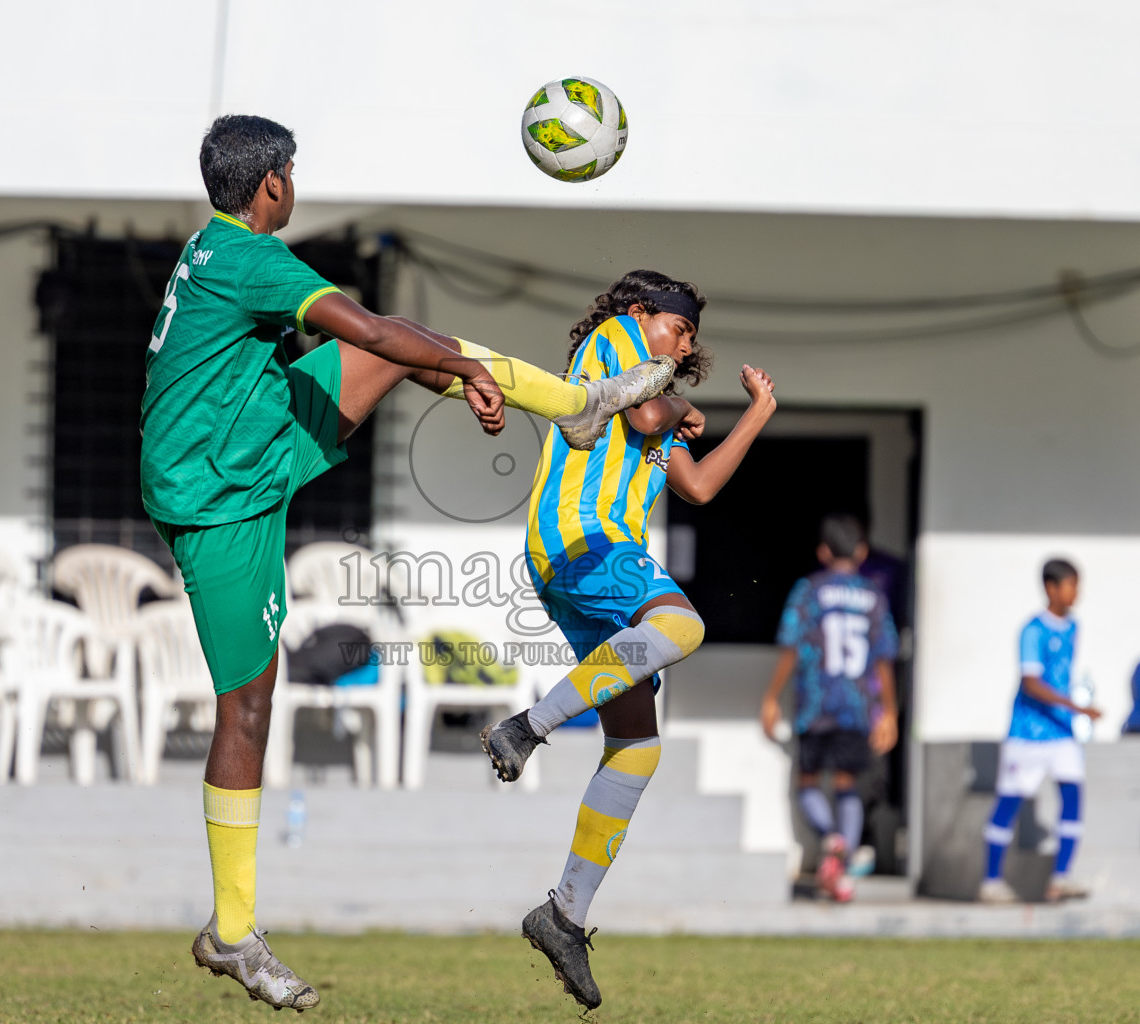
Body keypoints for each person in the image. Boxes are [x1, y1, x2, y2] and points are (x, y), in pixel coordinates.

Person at [141, 115, 677, 1012]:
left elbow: (383, 343)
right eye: (294, 171)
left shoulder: (216, 247)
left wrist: (455, 373)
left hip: (247, 436)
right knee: (248, 704)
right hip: (217, 497)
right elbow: (374, 331)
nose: (295, 183)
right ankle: (232, 932)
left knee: (390, 340)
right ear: (273, 183)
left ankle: (577, 407)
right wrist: (453, 370)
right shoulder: (254, 260)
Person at [477, 270, 778, 1010]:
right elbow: (646, 420)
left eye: (689, 339)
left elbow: (699, 487)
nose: (683, 344)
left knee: (638, 746)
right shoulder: (616, 340)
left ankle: (564, 914)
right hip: (587, 540)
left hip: (588, 563)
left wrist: (755, 414)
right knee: (683, 624)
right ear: (643, 315)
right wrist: (676, 404)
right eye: (677, 329)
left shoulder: (657, 391)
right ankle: (528, 726)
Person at [760, 515, 900, 903]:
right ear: (861, 552)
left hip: (815, 704)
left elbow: (791, 646)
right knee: (847, 785)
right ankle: (843, 869)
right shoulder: (873, 595)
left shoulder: (809, 590)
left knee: (807, 782)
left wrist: (772, 697)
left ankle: (831, 838)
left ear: (823, 551)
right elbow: (884, 657)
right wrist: (889, 711)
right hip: (857, 707)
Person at [978, 559, 1101, 904]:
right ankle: (990, 880)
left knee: (1073, 796)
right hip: (1027, 733)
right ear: (1051, 587)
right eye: (1071, 585)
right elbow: (1031, 683)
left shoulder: (1073, 627)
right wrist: (1077, 707)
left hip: (1060, 733)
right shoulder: (1032, 630)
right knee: (1010, 802)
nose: (1076, 593)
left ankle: (1060, 878)